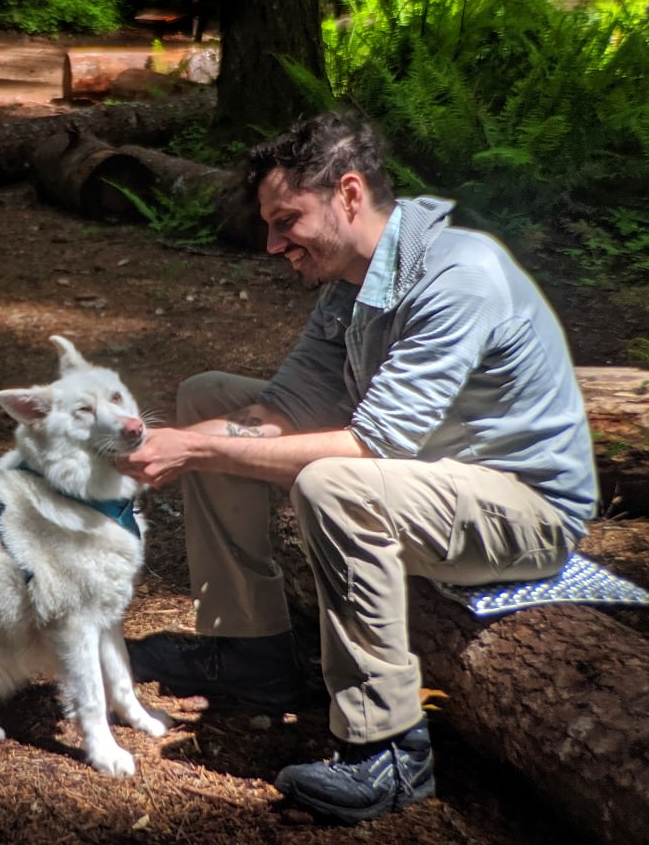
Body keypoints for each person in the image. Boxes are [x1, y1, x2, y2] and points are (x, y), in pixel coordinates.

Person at [116, 110, 597, 824]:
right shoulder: (351, 280)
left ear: (348, 194)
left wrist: (200, 448)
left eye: (287, 221)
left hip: (523, 505)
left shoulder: (459, 274)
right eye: (270, 225)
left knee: (331, 483)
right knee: (207, 397)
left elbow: (370, 448)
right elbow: (284, 408)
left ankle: (389, 749)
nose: (274, 244)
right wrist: (171, 437)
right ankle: (251, 652)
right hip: (429, 476)